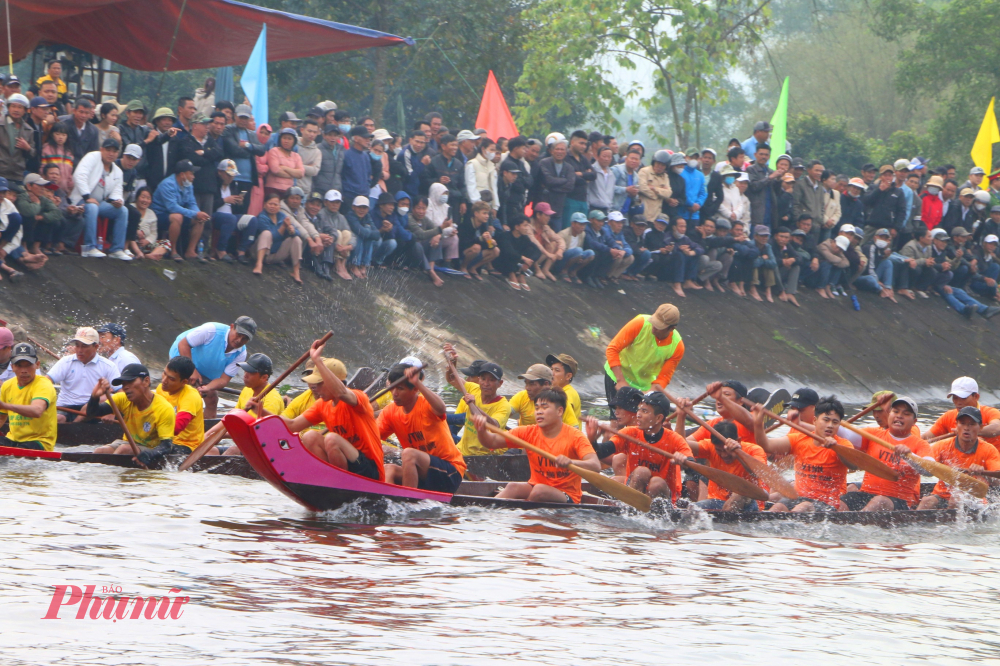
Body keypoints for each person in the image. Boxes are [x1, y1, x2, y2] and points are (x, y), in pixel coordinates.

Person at [471, 387, 598, 504]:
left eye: (544, 407)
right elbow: (491, 441)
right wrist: (481, 431)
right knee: (512, 487)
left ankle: (524, 517)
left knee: (540, 491)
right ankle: (488, 512)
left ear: (560, 411)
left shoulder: (575, 436)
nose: (539, 412)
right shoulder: (527, 432)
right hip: (535, 486)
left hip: (566, 494)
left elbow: (595, 466)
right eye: (536, 408)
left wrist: (571, 462)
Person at [278, 350, 384, 481]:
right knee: (309, 436)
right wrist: (263, 416)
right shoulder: (323, 404)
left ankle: (339, 482)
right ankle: (327, 479)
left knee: (332, 439)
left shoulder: (358, 398)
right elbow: (292, 426)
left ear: (334, 381)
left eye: (320, 383)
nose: (314, 388)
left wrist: (317, 360)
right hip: (347, 465)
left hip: (370, 470)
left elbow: (340, 392)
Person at [754, 394, 850, 513]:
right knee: (778, 507)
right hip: (798, 498)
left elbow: (854, 465)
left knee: (804, 506)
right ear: (815, 421)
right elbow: (766, 445)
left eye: (835, 422)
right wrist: (758, 424)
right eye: (826, 420)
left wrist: (836, 449)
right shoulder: (798, 439)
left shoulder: (844, 445)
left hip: (826, 505)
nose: (830, 425)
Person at [378, 364, 466, 492]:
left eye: (400, 389)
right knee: (388, 468)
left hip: (450, 472)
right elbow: (371, 436)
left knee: (408, 453)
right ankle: (388, 502)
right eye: (392, 388)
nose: (394, 394)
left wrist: (417, 383)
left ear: (414, 390)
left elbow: (441, 408)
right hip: (422, 473)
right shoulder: (389, 412)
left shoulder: (426, 404)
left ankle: (407, 501)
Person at [840, 396, 931, 511]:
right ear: (890, 415)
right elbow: (845, 435)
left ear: (914, 422)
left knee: (880, 501)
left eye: (906, 414)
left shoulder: (920, 444)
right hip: (866, 494)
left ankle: (857, 524)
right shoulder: (873, 434)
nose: (899, 415)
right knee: (840, 503)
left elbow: (928, 470)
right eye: (895, 411)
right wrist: (828, 422)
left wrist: (909, 457)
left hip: (898, 501)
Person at [600, 391, 691, 501]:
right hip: (636, 485)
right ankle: (631, 508)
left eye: (644, 411)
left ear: (658, 418)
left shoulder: (675, 439)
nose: (638, 414)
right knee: (641, 472)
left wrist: (684, 461)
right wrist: (592, 440)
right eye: (639, 409)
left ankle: (646, 512)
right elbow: (604, 450)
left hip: (663, 495)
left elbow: (691, 465)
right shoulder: (630, 433)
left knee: (656, 483)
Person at [88, 364, 178, 465]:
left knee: (123, 450)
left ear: (146, 381)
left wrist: (148, 455)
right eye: (123, 384)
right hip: (127, 443)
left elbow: (166, 446)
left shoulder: (164, 408)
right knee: (98, 452)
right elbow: (92, 413)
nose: (126, 387)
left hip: (150, 449)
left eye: (130, 382)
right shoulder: (122, 399)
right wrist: (94, 397)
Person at [168, 317, 255, 419]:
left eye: (244, 339)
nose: (239, 340)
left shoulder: (241, 354)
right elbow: (183, 344)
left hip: (207, 370)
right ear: (232, 327)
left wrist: (208, 388)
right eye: (238, 335)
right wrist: (192, 370)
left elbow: (224, 379)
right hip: (182, 357)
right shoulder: (211, 331)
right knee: (179, 391)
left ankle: (207, 431)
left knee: (212, 399)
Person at [917, 406, 1000, 510]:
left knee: (955, 499)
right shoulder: (942, 446)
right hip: (942, 494)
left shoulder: (989, 450)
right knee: (926, 501)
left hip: (974, 497)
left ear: (981, 428)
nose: (966, 428)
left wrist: (982, 472)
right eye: (962, 423)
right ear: (956, 426)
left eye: (972, 424)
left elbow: (997, 481)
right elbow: (923, 466)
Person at [604, 303, 683, 406]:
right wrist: (621, 381)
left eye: (658, 326)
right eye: (654, 323)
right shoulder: (640, 323)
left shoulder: (677, 346)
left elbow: (664, 377)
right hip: (617, 375)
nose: (653, 328)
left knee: (639, 420)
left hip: (644, 386)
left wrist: (649, 393)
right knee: (618, 418)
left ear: (671, 328)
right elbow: (612, 349)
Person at [682, 420, 766, 512]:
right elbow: (682, 445)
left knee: (740, 494)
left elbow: (758, 473)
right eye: (719, 450)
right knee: (691, 510)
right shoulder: (709, 446)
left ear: (738, 441)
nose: (724, 455)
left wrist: (739, 454)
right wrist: (681, 416)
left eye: (726, 450)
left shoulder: (755, 450)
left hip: (749, 504)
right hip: (716, 502)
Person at [71, 139, 131, 260]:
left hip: (100, 203)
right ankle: (89, 247)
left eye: (114, 151)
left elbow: (117, 191)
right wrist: (87, 197)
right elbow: (79, 175)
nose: (111, 154)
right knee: (92, 207)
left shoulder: (118, 171)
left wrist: (118, 201)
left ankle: (117, 249)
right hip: (81, 199)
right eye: (108, 150)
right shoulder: (92, 157)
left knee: (123, 211)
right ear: (101, 150)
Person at [446, 351, 511, 458]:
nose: (486, 383)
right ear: (479, 379)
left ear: (500, 383)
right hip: (462, 451)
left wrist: (474, 406)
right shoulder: (473, 388)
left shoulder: (503, 405)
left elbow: (494, 426)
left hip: (484, 456)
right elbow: (452, 378)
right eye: (483, 379)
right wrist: (452, 363)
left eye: (491, 380)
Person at [46, 327, 119, 420]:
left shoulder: (109, 366)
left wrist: (112, 412)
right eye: (77, 345)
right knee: (59, 418)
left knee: (90, 408)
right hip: (65, 407)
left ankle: (76, 424)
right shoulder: (65, 362)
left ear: (96, 347)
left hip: (92, 408)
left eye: (84, 346)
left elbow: (121, 393)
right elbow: (46, 382)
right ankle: (75, 425)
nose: (79, 350)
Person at [0, 343, 57, 451]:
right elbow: (1, 417)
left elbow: (37, 410)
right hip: (13, 440)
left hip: (39, 442)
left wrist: (6, 405)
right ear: (12, 367)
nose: (24, 370)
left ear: (37, 365)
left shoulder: (44, 385)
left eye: (28, 365)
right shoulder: (7, 386)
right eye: (19, 365)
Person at [152, 158, 210, 262]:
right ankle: (173, 251)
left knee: (199, 220)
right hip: (160, 215)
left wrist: (198, 214)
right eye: (191, 173)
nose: (193, 176)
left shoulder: (188, 185)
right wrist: (195, 213)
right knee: (177, 217)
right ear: (182, 175)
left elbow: (192, 203)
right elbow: (172, 207)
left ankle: (190, 251)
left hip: (178, 214)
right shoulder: (168, 184)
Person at [923, 377, 1000, 447]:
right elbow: (925, 437)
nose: (958, 402)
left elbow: (996, 428)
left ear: (976, 397)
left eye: (963, 398)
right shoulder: (948, 416)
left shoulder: (990, 412)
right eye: (955, 398)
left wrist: (970, 431)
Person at [249, 192, 303, 283]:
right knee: (266, 233)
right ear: (265, 205)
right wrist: (283, 227)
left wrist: (292, 230)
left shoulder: (282, 216)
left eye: (275, 204)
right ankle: (259, 264)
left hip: (275, 254)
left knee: (296, 239)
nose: (273, 207)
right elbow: (271, 237)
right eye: (270, 204)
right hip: (258, 252)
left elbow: (297, 232)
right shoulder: (262, 217)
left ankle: (296, 272)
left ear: (279, 206)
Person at [155, 355, 205, 455]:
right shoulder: (160, 389)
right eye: (164, 373)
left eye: (171, 379)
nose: (164, 380)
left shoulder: (190, 397)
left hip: (187, 446)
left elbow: (177, 428)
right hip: (165, 440)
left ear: (184, 382)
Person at [233, 353, 285, 420]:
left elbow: (265, 429)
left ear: (264, 377)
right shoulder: (246, 389)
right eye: (245, 370)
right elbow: (234, 416)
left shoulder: (272, 400)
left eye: (251, 372)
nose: (245, 375)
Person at [494, 214, 537, 291]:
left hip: (516, 264)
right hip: (501, 263)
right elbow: (508, 251)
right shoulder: (505, 236)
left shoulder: (525, 238)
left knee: (530, 249)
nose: (527, 228)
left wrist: (527, 263)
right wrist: (523, 258)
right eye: (525, 225)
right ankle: (511, 274)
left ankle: (521, 275)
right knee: (511, 253)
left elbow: (537, 250)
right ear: (517, 227)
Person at [265, 128, 305, 197]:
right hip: (273, 189)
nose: (286, 141)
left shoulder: (296, 156)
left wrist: (284, 168)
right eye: (284, 138)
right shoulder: (274, 151)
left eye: (289, 139)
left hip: (289, 192)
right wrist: (293, 174)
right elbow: (275, 170)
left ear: (294, 141)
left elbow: (301, 173)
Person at [545, 353, 581, 428]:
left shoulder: (567, 395)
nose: (552, 373)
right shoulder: (554, 391)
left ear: (568, 376)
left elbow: (573, 427)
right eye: (551, 369)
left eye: (557, 370)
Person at [637, 150, 672, 223]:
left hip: (657, 216)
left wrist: (655, 189)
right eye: (658, 163)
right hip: (644, 214)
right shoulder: (644, 171)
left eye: (663, 165)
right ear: (654, 162)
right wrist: (658, 195)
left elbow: (668, 193)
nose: (659, 167)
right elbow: (642, 188)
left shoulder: (665, 176)